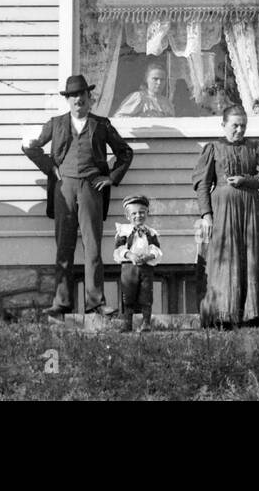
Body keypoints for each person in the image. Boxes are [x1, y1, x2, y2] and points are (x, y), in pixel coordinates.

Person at [22, 74, 135, 317]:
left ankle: (96, 301)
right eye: (73, 96)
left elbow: (125, 152)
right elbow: (31, 146)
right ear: (68, 100)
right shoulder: (57, 123)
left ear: (88, 97)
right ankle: (62, 302)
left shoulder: (101, 124)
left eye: (81, 95)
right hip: (64, 187)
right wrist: (50, 168)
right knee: (64, 245)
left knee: (92, 246)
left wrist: (111, 178)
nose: (77, 100)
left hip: (91, 189)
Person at [192, 105, 259, 327]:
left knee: (251, 255)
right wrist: (206, 215)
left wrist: (245, 180)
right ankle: (223, 314)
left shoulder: (255, 147)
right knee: (225, 257)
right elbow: (202, 185)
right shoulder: (213, 148)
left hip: (250, 209)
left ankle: (252, 314)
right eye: (234, 125)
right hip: (223, 210)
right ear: (223, 125)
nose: (239, 130)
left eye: (243, 126)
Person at [112, 195, 162, 331]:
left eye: (141, 212)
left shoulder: (151, 233)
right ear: (127, 216)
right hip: (129, 268)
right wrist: (130, 255)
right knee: (128, 295)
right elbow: (119, 249)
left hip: (146, 268)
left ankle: (146, 323)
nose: (138, 216)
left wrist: (148, 256)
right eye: (134, 213)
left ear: (147, 213)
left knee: (146, 295)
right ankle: (127, 323)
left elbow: (156, 249)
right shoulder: (124, 231)